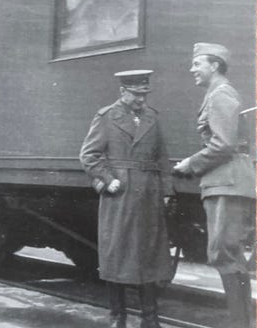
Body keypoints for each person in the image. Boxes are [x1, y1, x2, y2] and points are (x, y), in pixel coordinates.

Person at [79, 70, 174, 328]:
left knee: (149, 256)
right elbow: (89, 155)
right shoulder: (107, 117)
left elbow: (162, 157)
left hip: (149, 196)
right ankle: (117, 317)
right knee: (117, 256)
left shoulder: (152, 117)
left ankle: (150, 319)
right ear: (123, 91)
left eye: (144, 94)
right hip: (120, 197)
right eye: (136, 94)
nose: (141, 100)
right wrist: (108, 179)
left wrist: (167, 191)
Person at [173, 43, 256, 328]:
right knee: (227, 253)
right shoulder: (217, 93)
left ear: (215, 65)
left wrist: (190, 164)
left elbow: (223, 145)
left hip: (227, 182)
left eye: (198, 64)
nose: (192, 69)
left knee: (224, 253)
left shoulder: (221, 94)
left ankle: (241, 323)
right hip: (224, 181)